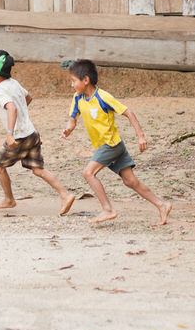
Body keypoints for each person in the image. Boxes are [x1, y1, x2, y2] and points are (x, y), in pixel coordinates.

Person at [61, 59, 171, 225]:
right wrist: (69, 128)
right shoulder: (77, 98)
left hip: (110, 145)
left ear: (86, 80)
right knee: (130, 181)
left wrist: (140, 136)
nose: (72, 85)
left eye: (73, 81)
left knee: (88, 173)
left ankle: (108, 209)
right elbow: (72, 118)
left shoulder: (103, 97)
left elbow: (128, 112)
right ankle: (162, 204)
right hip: (113, 145)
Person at [0, 49, 75, 216]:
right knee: (38, 169)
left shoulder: (0, 90)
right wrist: (22, 117)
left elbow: (11, 107)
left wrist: (10, 133)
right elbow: (28, 98)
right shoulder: (14, 83)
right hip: (31, 133)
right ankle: (65, 194)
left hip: (18, 137)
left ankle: (9, 199)